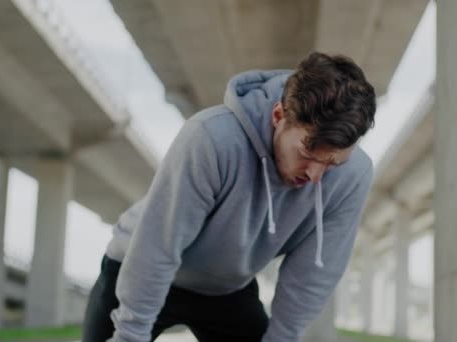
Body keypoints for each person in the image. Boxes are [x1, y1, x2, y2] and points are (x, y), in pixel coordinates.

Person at [82, 51, 376, 342]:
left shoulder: (353, 176)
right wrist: (130, 335)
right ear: (278, 116)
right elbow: (158, 244)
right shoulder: (211, 138)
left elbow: (311, 274)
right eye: (306, 154)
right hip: (139, 268)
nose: (315, 175)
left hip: (225, 289)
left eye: (332, 163)